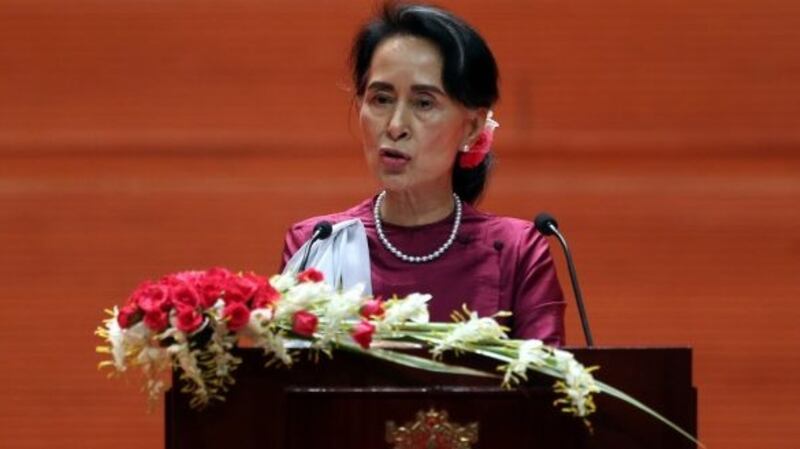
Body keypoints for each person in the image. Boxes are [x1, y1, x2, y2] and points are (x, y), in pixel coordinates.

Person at [281, 3, 565, 346]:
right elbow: (294, 389)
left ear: (472, 127)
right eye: (381, 99)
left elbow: (546, 393)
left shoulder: (516, 251)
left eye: (423, 103)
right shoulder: (319, 243)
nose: (396, 126)